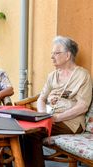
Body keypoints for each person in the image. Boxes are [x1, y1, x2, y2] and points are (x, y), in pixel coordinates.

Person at [22, 36, 92, 167]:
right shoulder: (52, 75)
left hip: (71, 123)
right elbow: (41, 98)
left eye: (56, 53)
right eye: (51, 53)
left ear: (67, 55)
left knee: (31, 133)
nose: (52, 57)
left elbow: (82, 106)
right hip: (50, 118)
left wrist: (56, 118)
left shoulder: (82, 75)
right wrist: (43, 115)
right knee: (20, 130)